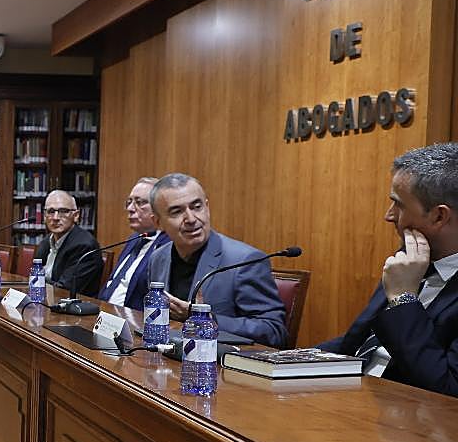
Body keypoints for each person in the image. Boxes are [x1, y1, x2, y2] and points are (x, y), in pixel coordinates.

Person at [320, 144, 458, 396]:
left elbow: (447, 391)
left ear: (439, 217)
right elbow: (356, 344)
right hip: (352, 396)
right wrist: (285, 360)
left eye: (398, 204)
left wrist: (403, 298)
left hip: (405, 413)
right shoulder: (411, 262)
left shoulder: (404, 276)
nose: (389, 215)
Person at [147, 173, 286, 346]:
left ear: (207, 207)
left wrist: (204, 319)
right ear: (158, 222)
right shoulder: (158, 258)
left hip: (221, 360)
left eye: (197, 207)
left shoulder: (245, 260)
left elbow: (273, 331)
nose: (191, 219)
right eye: (177, 212)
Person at [99, 176, 171, 309]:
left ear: (159, 208)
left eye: (139, 202)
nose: (130, 208)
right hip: (104, 313)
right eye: (129, 202)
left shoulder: (169, 245)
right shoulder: (134, 239)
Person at [41, 189, 102, 296]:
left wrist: (38, 282)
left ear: (76, 215)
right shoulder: (47, 241)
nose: (55, 218)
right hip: (47, 299)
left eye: (63, 211)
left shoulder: (84, 246)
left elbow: (64, 290)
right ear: (44, 215)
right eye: (51, 211)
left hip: (73, 304)